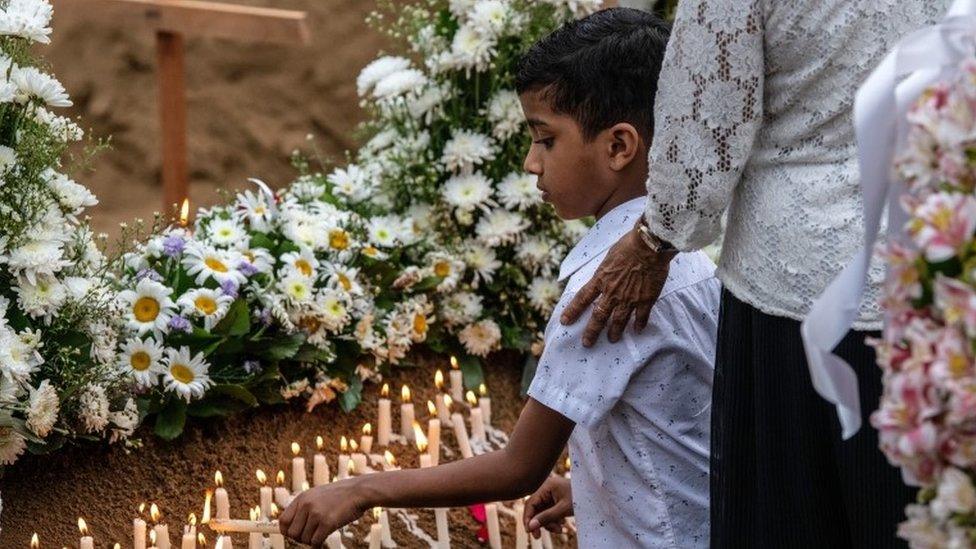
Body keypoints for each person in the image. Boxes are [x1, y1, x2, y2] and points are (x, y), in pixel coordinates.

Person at [279, 8, 719, 547]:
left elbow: (518, 466)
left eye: (545, 139)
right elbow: (679, 426)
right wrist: (595, 487)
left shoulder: (611, 289)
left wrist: (360, 490)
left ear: (619, 146)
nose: (531, 163)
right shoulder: (689, 260)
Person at [558, 0, 952, 546]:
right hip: (938, 267)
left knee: (797, 514)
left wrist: (655, 241)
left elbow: (708, 117)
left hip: (797, 293)